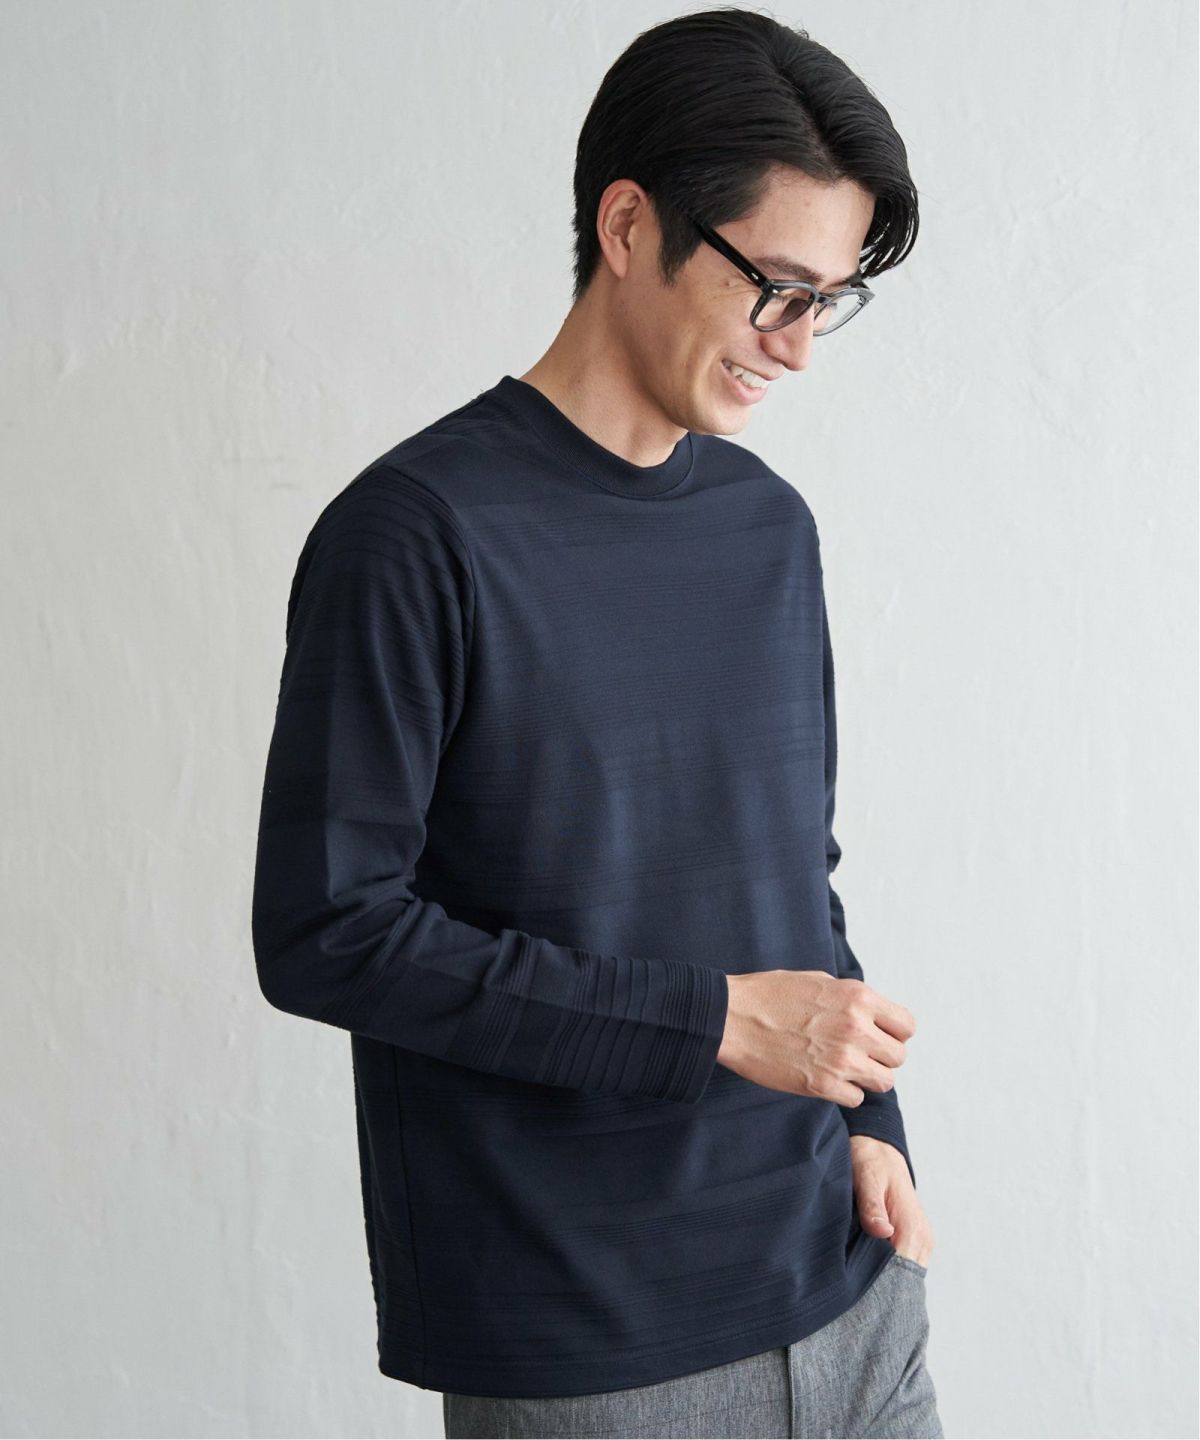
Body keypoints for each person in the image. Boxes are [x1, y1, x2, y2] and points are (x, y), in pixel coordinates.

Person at [251, 7, 942, 1437]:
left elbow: (793, 877)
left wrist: (870, 1123)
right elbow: (329, 931)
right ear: (629, 226)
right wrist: (717, 1024)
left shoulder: (768, 527)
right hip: (592, 1344)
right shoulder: (415, 536)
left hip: (847, 1285)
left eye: (830, 302)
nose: (799, 350)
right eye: (776, 289)